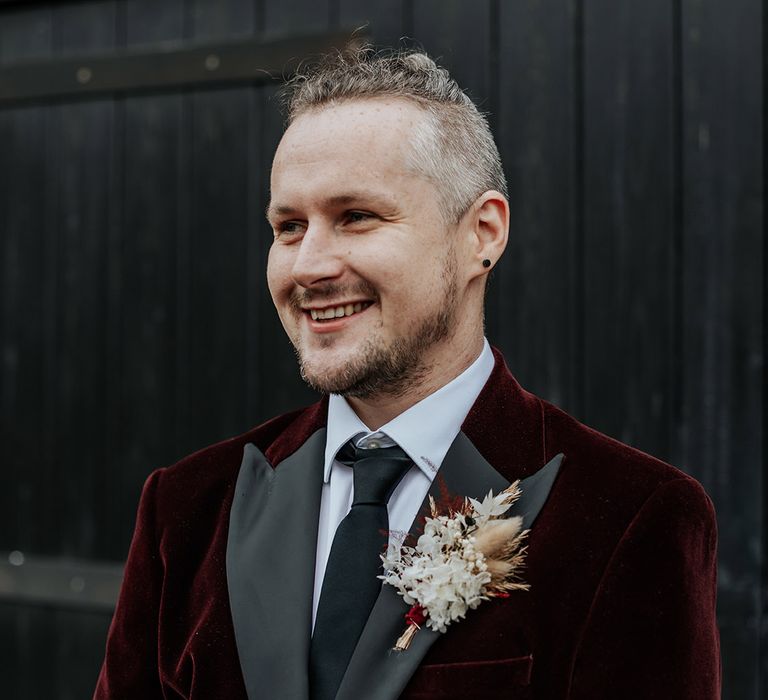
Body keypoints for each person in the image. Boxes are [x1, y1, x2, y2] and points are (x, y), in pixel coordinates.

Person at [93, 48, 720, 700]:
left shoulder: (632, 517)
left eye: (356, 216)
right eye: (288, 226)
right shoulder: (185, 507)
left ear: (482, 232)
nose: (308, 266)